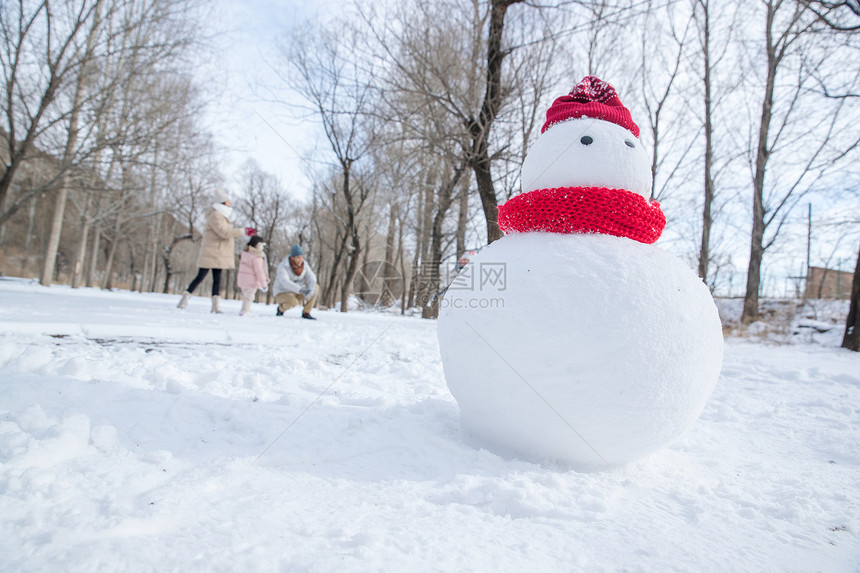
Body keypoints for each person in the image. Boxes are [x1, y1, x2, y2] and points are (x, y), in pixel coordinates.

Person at [177, 189, 256, 313]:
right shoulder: (215, 215)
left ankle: (215, 306)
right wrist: (243, 232)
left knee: (217, 280)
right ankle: (184, 300)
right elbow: (224, 233)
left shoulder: (221, 216)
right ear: (222, 203)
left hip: (218, 253)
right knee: (200, 277)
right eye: (228, 202)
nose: (230, 204)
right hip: (211, 253)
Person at [273, 244, 319, 320]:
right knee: (293, 302)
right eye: (298, 257)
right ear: (292, 257)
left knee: (315, 287)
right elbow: (285, 282)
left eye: (301, 257)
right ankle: (280, 309)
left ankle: (306, 312)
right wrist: (301, 289)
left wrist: (311, 288)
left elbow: (311, 277)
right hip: (283, 292)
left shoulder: (305, 265)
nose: (300, 260)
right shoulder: (283, 266)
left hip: (298, 291)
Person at [236, 235, 269, 316]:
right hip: (251, 280)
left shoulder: (245, 254)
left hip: (242, 279)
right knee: (249, 297)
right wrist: (263, 282)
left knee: (246, 295)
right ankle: (244, 311)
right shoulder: (256, 257)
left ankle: (245, 309)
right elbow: (259, 271)